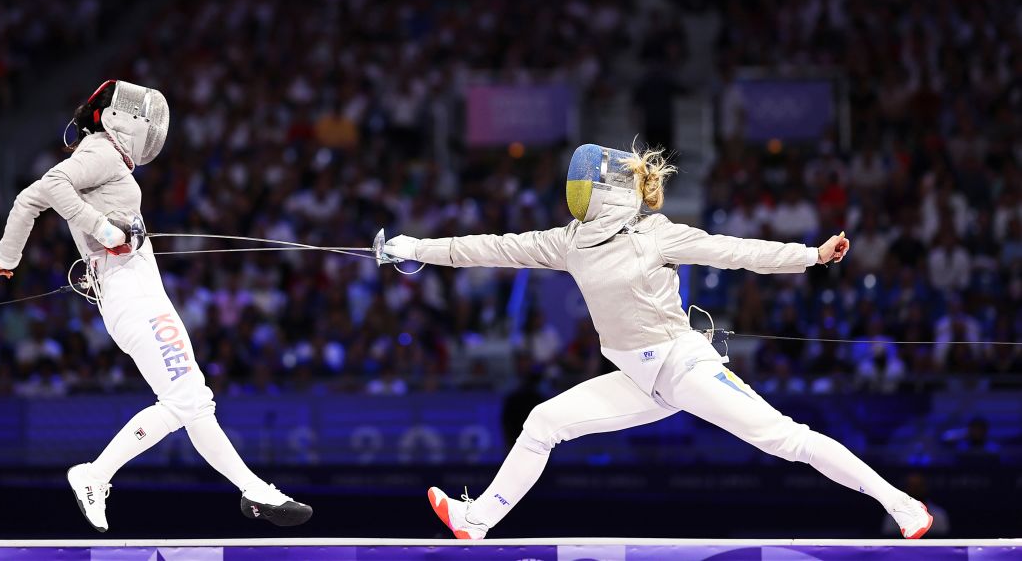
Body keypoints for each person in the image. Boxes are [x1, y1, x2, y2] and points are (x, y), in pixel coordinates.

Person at [384, 143, 933, 540]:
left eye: (582, 185)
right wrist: (413, 246)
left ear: (606, 191)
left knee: (783, 439)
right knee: (543, 423)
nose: (573, 195)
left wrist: (810, 256)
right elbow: (487, 248)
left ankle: (902, 505)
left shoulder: (655, 234)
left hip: (683, 364)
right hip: (639, 380)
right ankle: (476, 519)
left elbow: (736, 250)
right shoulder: (568, 243)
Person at [0, 79, 311, 532]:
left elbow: (28, 199)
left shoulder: (104, 156)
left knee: (194, 402)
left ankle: (255, 492)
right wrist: (100, 229)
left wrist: (8, 257)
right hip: (132, 295)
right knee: (185, 400)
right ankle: (95, 474)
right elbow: (55, 182)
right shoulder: (100, 150)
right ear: (121, 117)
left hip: (137, 294)